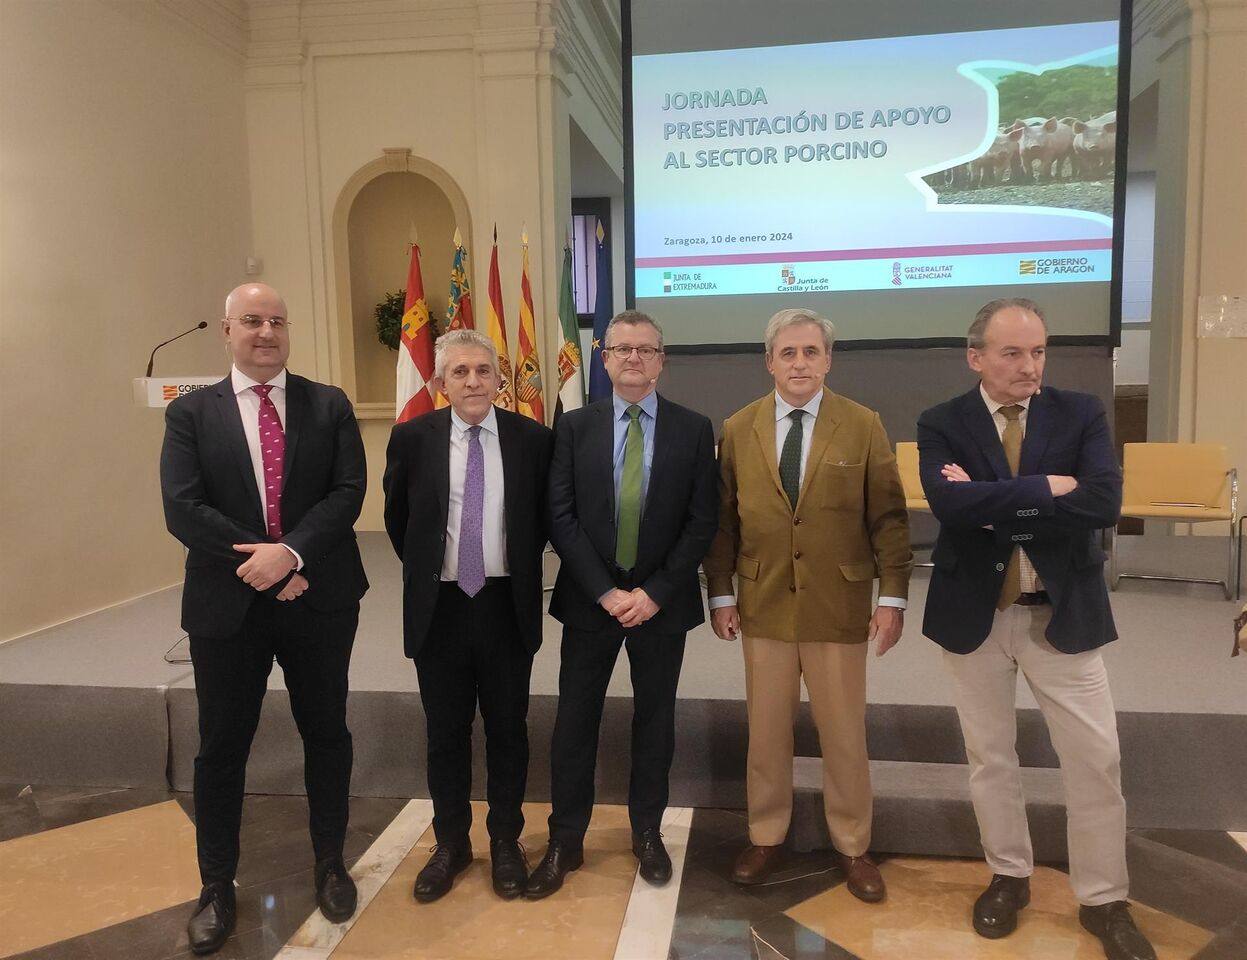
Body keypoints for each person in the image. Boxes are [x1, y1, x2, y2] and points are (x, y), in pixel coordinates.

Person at [917, 298, 1156, 960]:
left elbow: (1102, 502)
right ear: (976, 357)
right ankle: (1008, 877)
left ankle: (1103, 899)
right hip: (976, 616)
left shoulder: (1079, 412)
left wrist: (994, 501)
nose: (1030, 366)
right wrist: (1047, 487)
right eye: (1012, 353)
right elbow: (946, 505)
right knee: (990, 759)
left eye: (1038, 351)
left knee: (1095, 759)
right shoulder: (941, 422)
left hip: (1062, 614)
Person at [160, 282, 368, 955]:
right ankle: (216, 884)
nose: (266, 332)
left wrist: (293, 553)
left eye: (277, 320)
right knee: (221, 747)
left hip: (319, 596)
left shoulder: (328, 404)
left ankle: (330, 863)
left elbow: (347, 492)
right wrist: (263, 558)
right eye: (252, 320)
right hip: (228, 605)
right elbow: (182, 507)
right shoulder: (191, 414)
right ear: (226, 330)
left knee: (326, 735)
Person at [704, 307, 911, 901]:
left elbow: (890, 520)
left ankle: (853, 844)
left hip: (839, 606)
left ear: (828, 359)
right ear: (769, 361)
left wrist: (891, 597)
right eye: (788, 353)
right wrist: (720, 592)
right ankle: (766, 834)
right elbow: (723, 524)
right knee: (766, 731)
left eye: (810, 352)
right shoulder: (738, 428)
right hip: (762, 602)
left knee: (844, 732)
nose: (799, 363)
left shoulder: (863, 424)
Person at [524, 310, 718, 898]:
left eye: (646, 349)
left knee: (655, 721)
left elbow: (702, 519)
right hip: (591, 603)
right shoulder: (574, 427)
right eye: (622, 349)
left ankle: (648, 832)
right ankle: (566, 839)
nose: (633, 358)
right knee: (574, 723)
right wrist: (605, 591)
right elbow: (559, 516)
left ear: (662, 360)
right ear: (603, 358)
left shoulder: (693, 428)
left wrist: (654, 592)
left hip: (662, 605)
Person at [382, 329, 553, 903]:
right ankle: (451, 844)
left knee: (508, 730)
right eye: (460, 372)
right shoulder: (411, 440)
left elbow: (544, 521)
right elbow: (399, 521)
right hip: (443, 608)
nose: (473, 381)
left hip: (507, 605)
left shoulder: (534, 440)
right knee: (445, 732)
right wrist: (443, 570)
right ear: (439, 383)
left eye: (483, 370)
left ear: (499, 377)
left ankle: (506, 840)